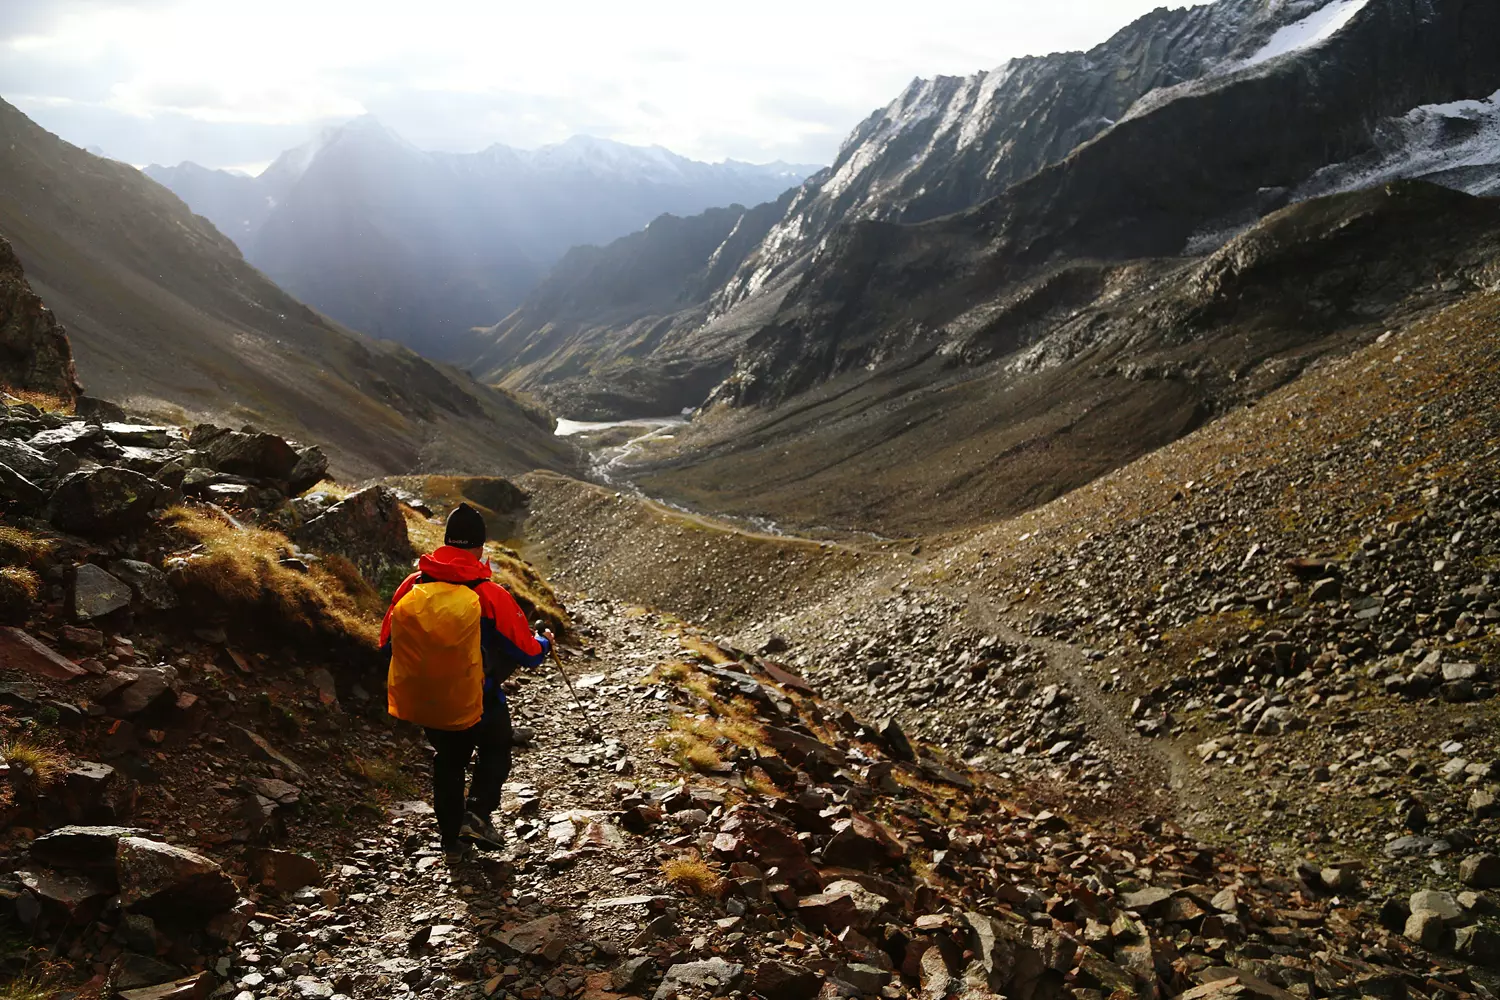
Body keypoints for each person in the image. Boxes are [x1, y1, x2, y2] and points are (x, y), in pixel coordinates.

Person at [380, 502, 553, 859]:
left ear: (446, 542)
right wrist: (545, 641)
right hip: (480, 699)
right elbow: (529, 653)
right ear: (479, 546)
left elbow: (386, 643)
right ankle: (477, 813)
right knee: (496, 746)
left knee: (448, 760)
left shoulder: (412, 585)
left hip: (427, 698)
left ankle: (450, 841)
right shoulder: (489, 594)